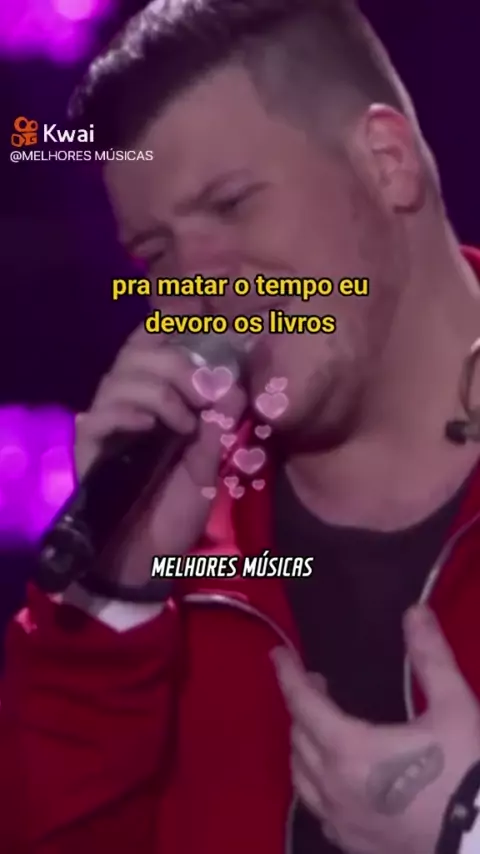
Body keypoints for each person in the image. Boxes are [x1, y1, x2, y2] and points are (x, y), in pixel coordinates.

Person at [2, 0, 480, 852]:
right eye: (157, 253)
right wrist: (115, 602)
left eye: (230, 205)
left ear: (388, 162)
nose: (197, 284)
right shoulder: (179, 548)